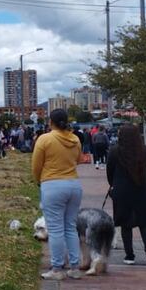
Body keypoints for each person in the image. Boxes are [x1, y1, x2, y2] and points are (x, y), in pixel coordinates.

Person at [32, 109, 84, 280]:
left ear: (50, 122)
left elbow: (36, 165)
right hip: (74, 185)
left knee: (55, 229)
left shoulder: (45, 139)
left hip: (52, 184)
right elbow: (78, 160)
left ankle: (56, 268)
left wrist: (39, 180)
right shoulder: (75, 139)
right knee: (70, 227)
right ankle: (75, 267)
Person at [107, 124, 146, 266]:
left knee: (125, 223)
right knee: (145, 222)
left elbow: (109, 172)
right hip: (142, 189)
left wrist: (114, 185)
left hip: (122, 191)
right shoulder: (144, 151)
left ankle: (129, 255)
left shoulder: (115, 151)